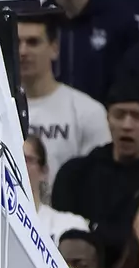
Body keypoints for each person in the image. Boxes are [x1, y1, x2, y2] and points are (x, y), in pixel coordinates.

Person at [51, 77, 139, 264]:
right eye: (119, 115)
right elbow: (64, 234)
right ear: (107, 118)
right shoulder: (75, 174)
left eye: (137, 116)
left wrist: (94, 228)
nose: (127, 125)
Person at [18, 12, 109, 173]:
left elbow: (98, 179)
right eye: (17, 43)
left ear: (54, 48)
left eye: (33, 42)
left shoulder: (88, 112)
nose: (23, 51)